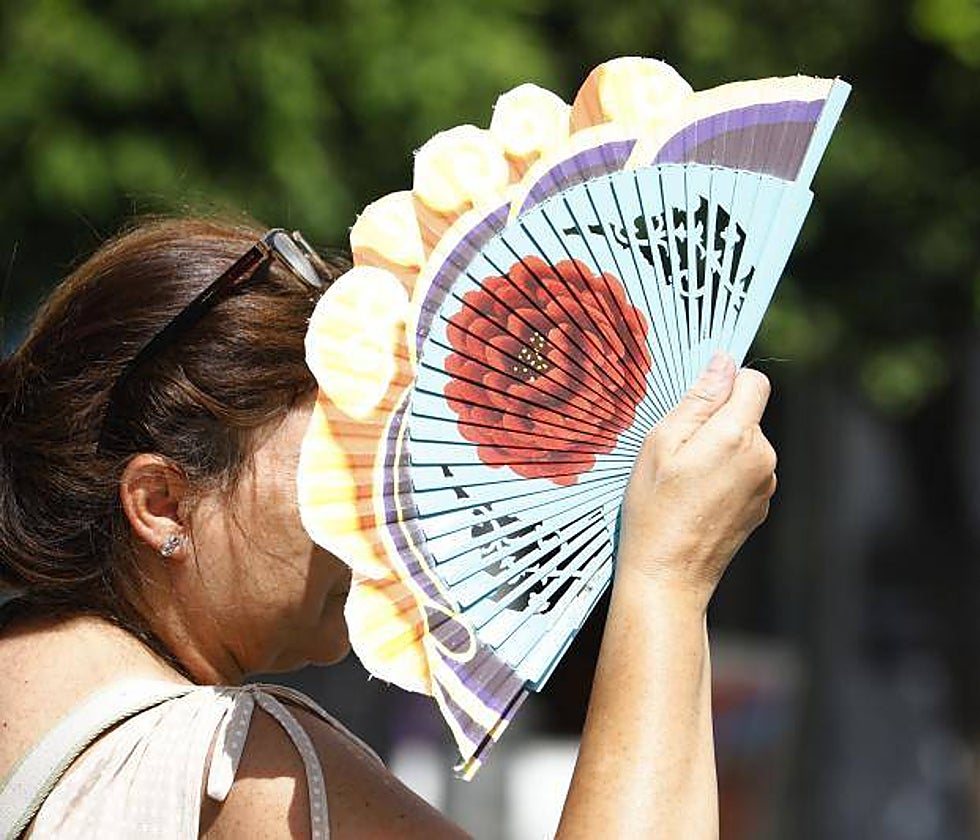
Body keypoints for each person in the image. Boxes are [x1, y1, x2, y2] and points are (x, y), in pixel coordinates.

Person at [0, 217, 777, 837]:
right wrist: (666, 578)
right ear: (162, 504)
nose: (386, 507)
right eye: (345, 458)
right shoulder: (237, 767)